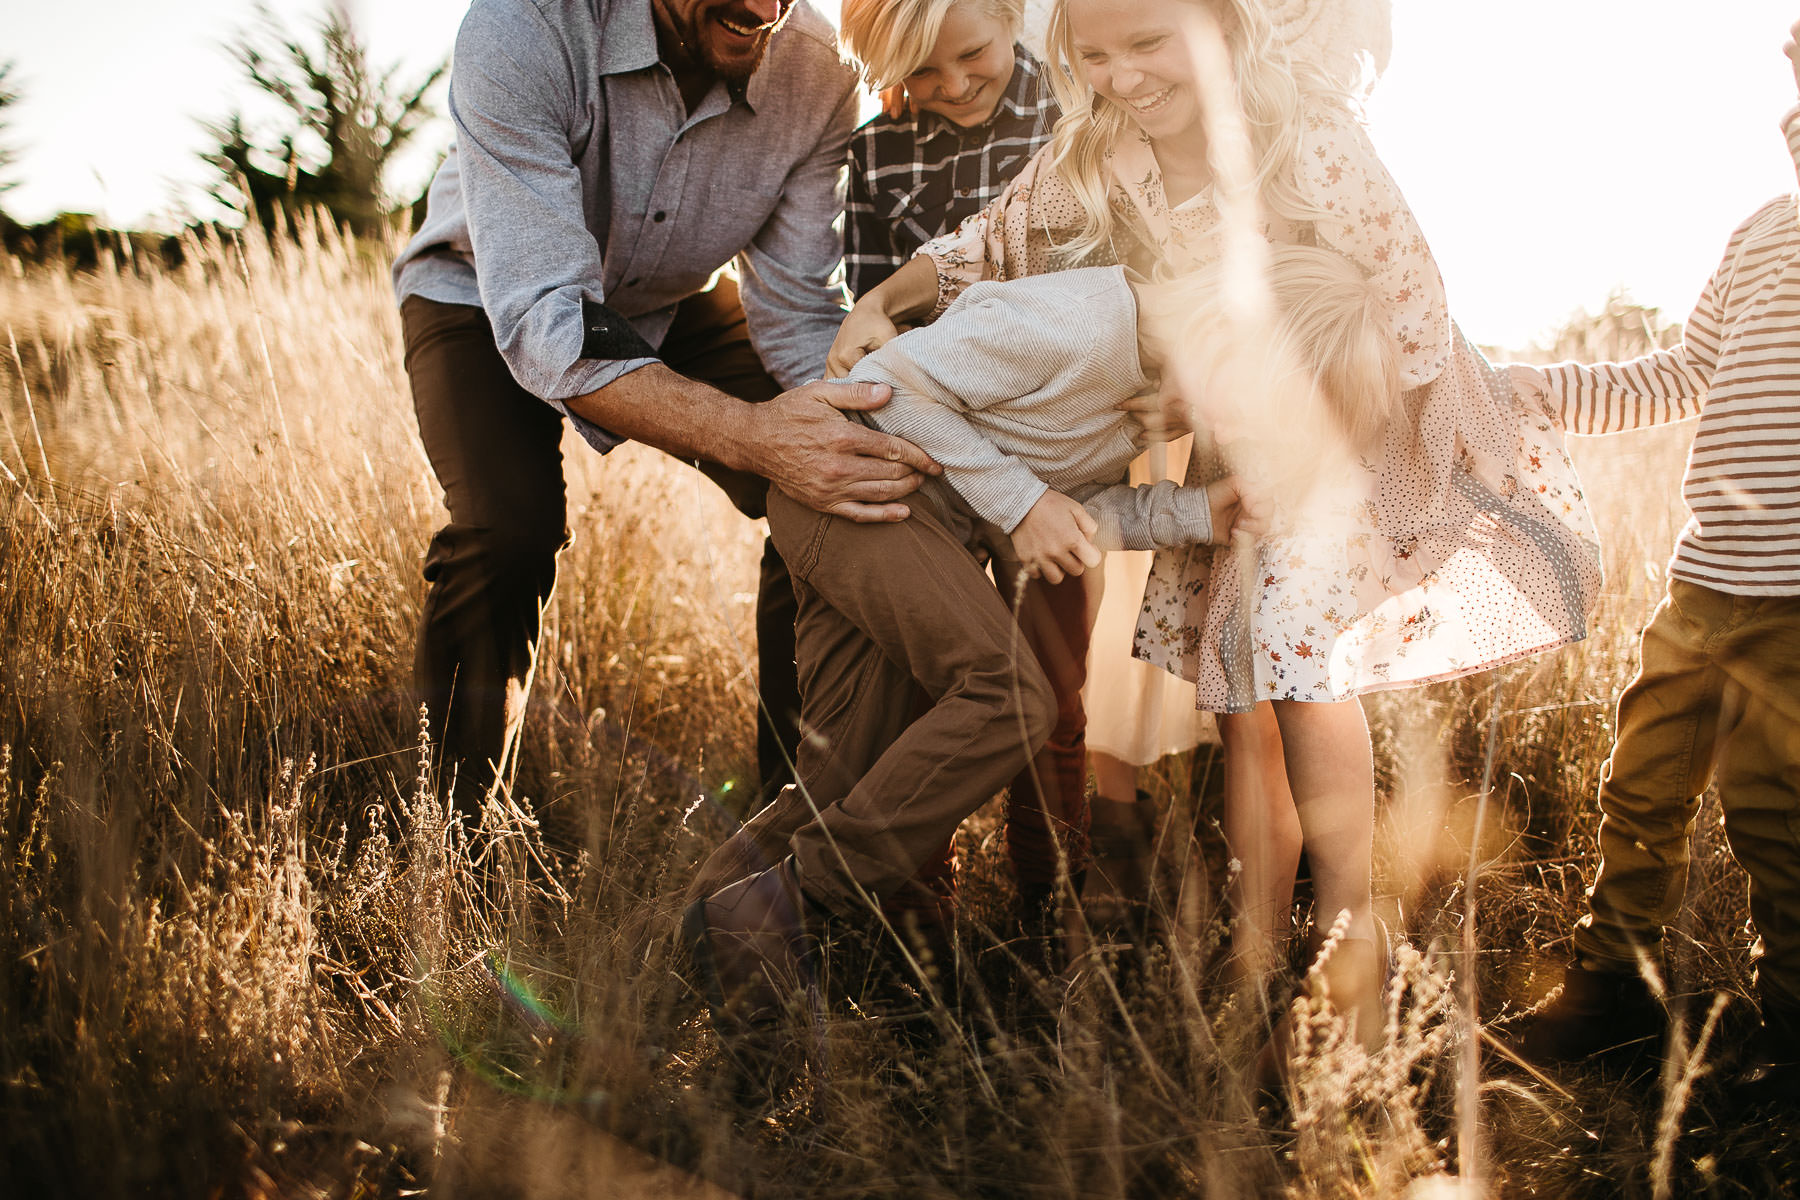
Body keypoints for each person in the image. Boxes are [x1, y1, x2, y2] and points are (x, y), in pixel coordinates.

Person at [835, 0, 1602, 1055]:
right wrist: (887, 296)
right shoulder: (1104, 152)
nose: (1122, 75)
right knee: (1242, 686)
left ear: (1220, 27)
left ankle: (1351, 967)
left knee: (1299, 665)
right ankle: (1250, 962)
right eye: (1094, 54)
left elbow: (1413, 295)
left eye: (1147, 44)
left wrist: (1389, 456)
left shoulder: (1307, 139)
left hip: (1348, 429)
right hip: (1238, 441)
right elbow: (991, 238)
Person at [390, 0, 939, 814]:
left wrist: (849, 425)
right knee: (508, 530)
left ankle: (796, 827)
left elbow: (793, 308)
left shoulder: (819, 68)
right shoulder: (522, 27)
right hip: (487, 294)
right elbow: (549, 317)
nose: (764, 8)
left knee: (836, 484)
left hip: (677, 300)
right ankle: (450, 840)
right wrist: (755, 436)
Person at [683, 262, 1260, 1030]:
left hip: (889, 522)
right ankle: (786, 909)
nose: (1210, 420)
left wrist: (1197, 515)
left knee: (841, 777)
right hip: (855, 484)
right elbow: (895, 381)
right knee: (1010, 695)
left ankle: (671, 953)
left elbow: (1070, 503)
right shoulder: (1081, 321)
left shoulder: (1146, 384)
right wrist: (1020, 505)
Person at [1502, 20, 1800, 1100]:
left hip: (1796, 609)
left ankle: (1792, 1021)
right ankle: (1610, 986)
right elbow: (1678, 376)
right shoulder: (1764, 231)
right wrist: (1525, 385)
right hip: (1705, 583)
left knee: (1778, 814)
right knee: (1642, 785)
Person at [839, 0, 1099, 919]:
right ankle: (920, 915)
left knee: (1055, 691)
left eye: (972, 55)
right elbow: (874, 313)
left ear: (1008, 16)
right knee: (936, 686)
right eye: (920, 74)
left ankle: (1050, 904)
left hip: (1052, 442)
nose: (951, 88)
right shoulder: (874, 157)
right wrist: (867, 325)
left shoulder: (1071, 110)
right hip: (931, 450)